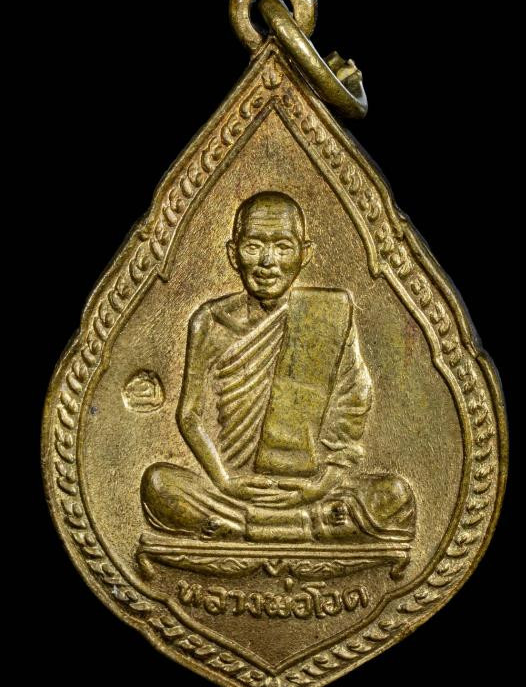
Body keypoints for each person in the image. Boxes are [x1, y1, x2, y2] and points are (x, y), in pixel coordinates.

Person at [141, 191, 415, 543]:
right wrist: (224, 481)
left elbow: (353, 402)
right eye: (253, 246)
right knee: (159, 484)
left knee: (394, 495)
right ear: (233, 254)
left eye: (283, 247)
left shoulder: (327, 314)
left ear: (305, 254)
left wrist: (321, 485)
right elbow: (190, 416)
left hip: (312, 489)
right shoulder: (209, 321)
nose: (267, 262)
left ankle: (247, 529)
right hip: (235, 489)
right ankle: (300, 528)